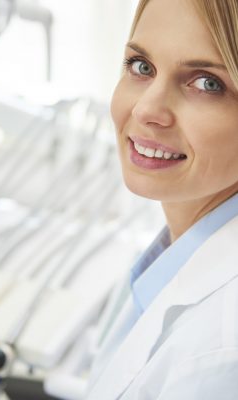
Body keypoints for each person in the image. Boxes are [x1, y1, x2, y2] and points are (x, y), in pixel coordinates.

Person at [85, 0, 238, 399]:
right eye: (141, 66)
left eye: (207, 83)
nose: (147, 109)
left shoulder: (222, 353)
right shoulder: (176, 253)